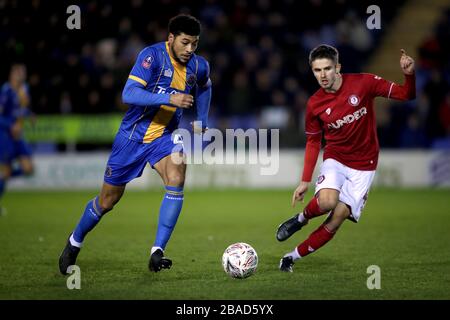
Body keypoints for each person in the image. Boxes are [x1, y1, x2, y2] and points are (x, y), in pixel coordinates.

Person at [59, 14, 212, 274]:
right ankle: (74, 241)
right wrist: (169, 98)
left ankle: (158, 250)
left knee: (177, 173)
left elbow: (206, 86)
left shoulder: (199, 66)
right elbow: (128, 93)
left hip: (164, 137)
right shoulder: (151, 56)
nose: (189, 50)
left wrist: (202, 118)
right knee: (107, 201)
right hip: (132, 137)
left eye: (194, 44)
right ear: (171, 38)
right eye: (185, 43)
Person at [276, 44, 415, 272]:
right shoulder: (314, 104)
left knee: (337, 218)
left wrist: (409, 74)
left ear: (338, 67)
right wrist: (304, 181)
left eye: (327, 69)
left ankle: (291, 257)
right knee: (329, 202)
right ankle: (301, 219)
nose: (322, 75)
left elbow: (406, 94)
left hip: (365, 165)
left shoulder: (364, 83)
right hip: (336, 158)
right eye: (317, 70)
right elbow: (313, 142)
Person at [0, 63, 34, 215]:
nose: (22, 75)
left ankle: (3, 175)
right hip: (6, 135)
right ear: (13, 74)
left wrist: (29, 114)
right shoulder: (6, 90)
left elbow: (20, 109)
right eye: (20, 72)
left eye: (24, 72)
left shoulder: (24, 89)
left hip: (18, 135)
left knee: (28, 168)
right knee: (5, 173)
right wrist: (10, 126)